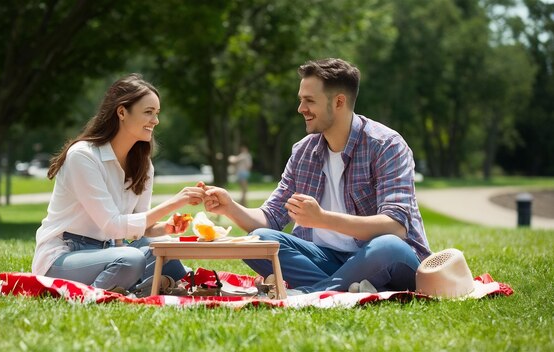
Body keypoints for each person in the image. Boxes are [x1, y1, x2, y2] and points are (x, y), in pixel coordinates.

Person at [204, 58, 431, 294]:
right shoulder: (303, 152)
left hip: (386, 259)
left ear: (339, 102)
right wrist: (229, 207)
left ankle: (314, 293)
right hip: (327, 261)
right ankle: (349, 287)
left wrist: (321, 218)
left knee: (387, 245)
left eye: (309, 101)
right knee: (259, 240)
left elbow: (395, 227)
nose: (301, 108)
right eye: (301, 100)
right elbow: (270, 218)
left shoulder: (385, 145)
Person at [31, 74, 205, 294]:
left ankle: (173, 284)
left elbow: (140, 228)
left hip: (111, 251)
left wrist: (166, 227)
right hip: (64, 256)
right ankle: (99, 295)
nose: (155, 121)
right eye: (148, 112)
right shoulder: (83, 156)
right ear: (122, 112)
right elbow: (113, 225)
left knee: (162, 248)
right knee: (131, 259)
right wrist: (175, 202)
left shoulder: (143, 164)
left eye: (157, 113)